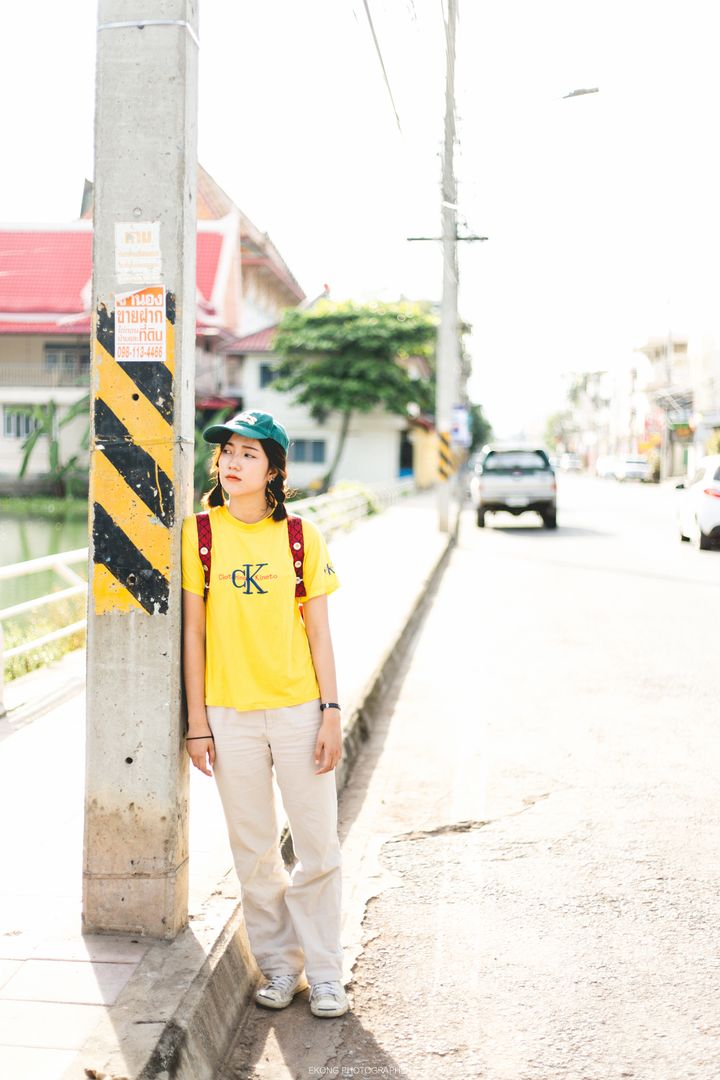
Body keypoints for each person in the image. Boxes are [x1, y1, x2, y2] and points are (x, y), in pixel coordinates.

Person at [181, 409, 348, 1018]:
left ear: (274, 470)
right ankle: (279, 968)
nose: (233, 461)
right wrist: (197, 721)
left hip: (300, 710)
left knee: (318, 846)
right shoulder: (200, 533)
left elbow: (321, 635)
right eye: (227, 451)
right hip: (229, 717)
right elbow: (193, 633)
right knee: (253, 851)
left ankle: (327, 972)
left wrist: (331, 712)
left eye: (250, 454)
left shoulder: (301, 535)